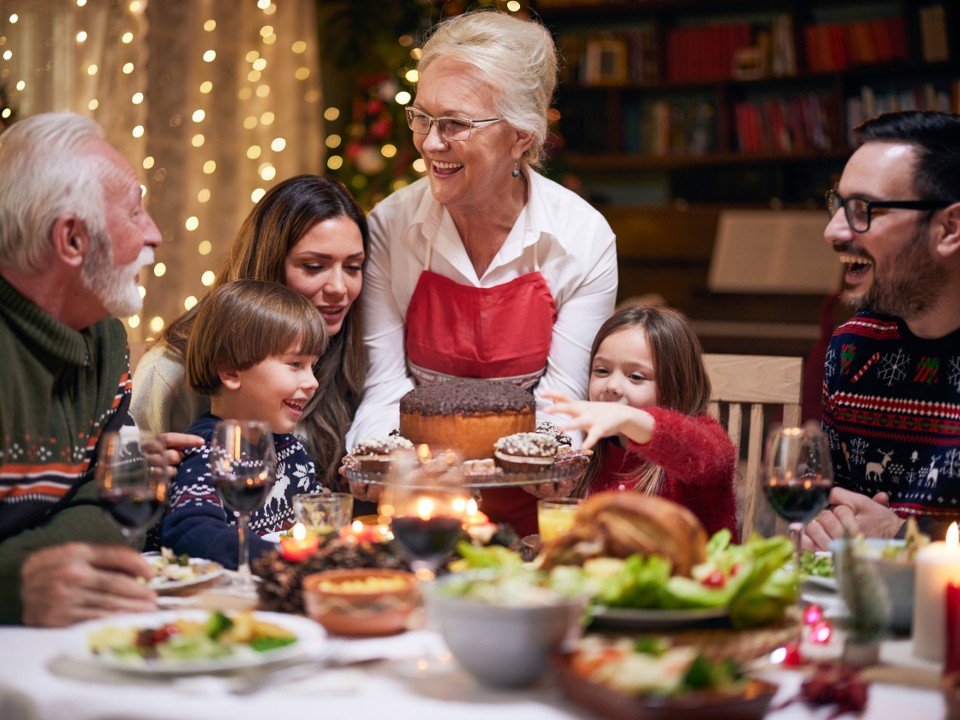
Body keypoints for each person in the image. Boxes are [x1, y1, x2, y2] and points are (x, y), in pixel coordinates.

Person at [345, 10, 618, 537]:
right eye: (421, 117)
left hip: (535, 509)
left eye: (456, 124)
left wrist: (526, 469)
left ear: (521, 135)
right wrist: (389, 469)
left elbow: (560, 398)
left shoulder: (582, 239)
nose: (429, 143)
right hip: (415, 503)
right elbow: (384, 385)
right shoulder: (389, 227)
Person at [0, 112, 198, 626]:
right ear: (71, 240)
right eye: (135, 213)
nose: (154, 234)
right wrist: (13, 581)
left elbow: (122, 498)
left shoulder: (105, 338)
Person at [132, 174, 368, 495]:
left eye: (353, 267)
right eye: (314, 266)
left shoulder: (347, 353)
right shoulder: (169, 370)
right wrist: (140, 472)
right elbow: (126, 486)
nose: (340, 288)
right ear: (269, 263)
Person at [803, 111, 960, 551]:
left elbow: (885, 531)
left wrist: (902, 536)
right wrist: (826, 525)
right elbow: (834, 504)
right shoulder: (854, 348)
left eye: (863, 210)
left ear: (950, 227)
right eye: (839, 206)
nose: (833, 232)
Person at [159, 279, 327, 568]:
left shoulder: (291, 448)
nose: (313, 382)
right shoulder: (205, 452)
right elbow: (190, 532)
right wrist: (284, 559)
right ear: (231, 371)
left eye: (313, 366)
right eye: (295, 364)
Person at [544, 307, 739, 539]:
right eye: (602, 370)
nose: (612, 386)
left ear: (675, 386)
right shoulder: (588, 448)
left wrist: (629, 419)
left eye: (636, 376)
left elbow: (704, 454)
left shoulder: (705, 440)